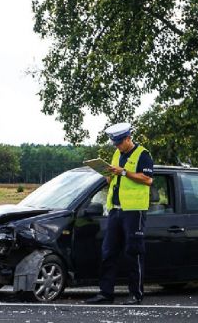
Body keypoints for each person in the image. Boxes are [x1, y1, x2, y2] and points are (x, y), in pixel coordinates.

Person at [86, 122, 154, 305]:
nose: (116, 147)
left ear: (127, 138)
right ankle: (105, 293)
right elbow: (113, 179)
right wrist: (107, 174)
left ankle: (136, 294)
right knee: (108, 252)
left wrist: (123, 172)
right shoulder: (117, 154)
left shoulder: (143, 154)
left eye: (118, 143)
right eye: (114, 144)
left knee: (133, 252)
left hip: (134, 211)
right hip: (115, 210)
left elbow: (147, 179)